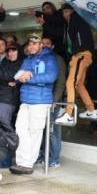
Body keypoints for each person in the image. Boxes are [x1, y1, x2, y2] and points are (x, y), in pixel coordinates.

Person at [9, 35, 58, 175]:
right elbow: (17, 75)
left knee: (34, 132)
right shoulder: (27, 59)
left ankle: (27, 163)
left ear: (41, 45)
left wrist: (29, 78)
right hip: (25, 100)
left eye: (34, 44)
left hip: (40, 101)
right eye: (29, 44)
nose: (31, 47)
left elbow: (51, 77)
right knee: (20, 129)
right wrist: (21, 77)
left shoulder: (50, 58)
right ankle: (22, 161)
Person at [61, 3, 96, 124]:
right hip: (82, 55)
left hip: (81, 55)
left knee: (70, 83)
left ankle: (68, 113)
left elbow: (76, 9)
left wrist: (72, 7)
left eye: (66, 11)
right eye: (63, 13)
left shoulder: (77, 17)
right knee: (79, 84)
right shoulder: (73, 23)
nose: (65, 15)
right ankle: (91, 110)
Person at [37, 37, 67, 170]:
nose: (44, 46)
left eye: (47, 44)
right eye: (42, 44)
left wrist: (55, 99)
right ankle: (44, 157)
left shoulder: (57, 59)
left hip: (53, 101)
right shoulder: (39, 58)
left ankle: (54, 159)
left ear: (53, 46)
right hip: (41, 100)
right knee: (43, 130)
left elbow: (60, 81)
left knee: (53, 131)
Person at [0, 42, 23, 126]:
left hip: (7, 100)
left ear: (19, 52)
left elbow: (10, 76)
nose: (11, 53)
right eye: (9, 51)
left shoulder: (22, 64)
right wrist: (6, 80)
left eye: (13, 51)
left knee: (3, 127)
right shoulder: (6, 62)